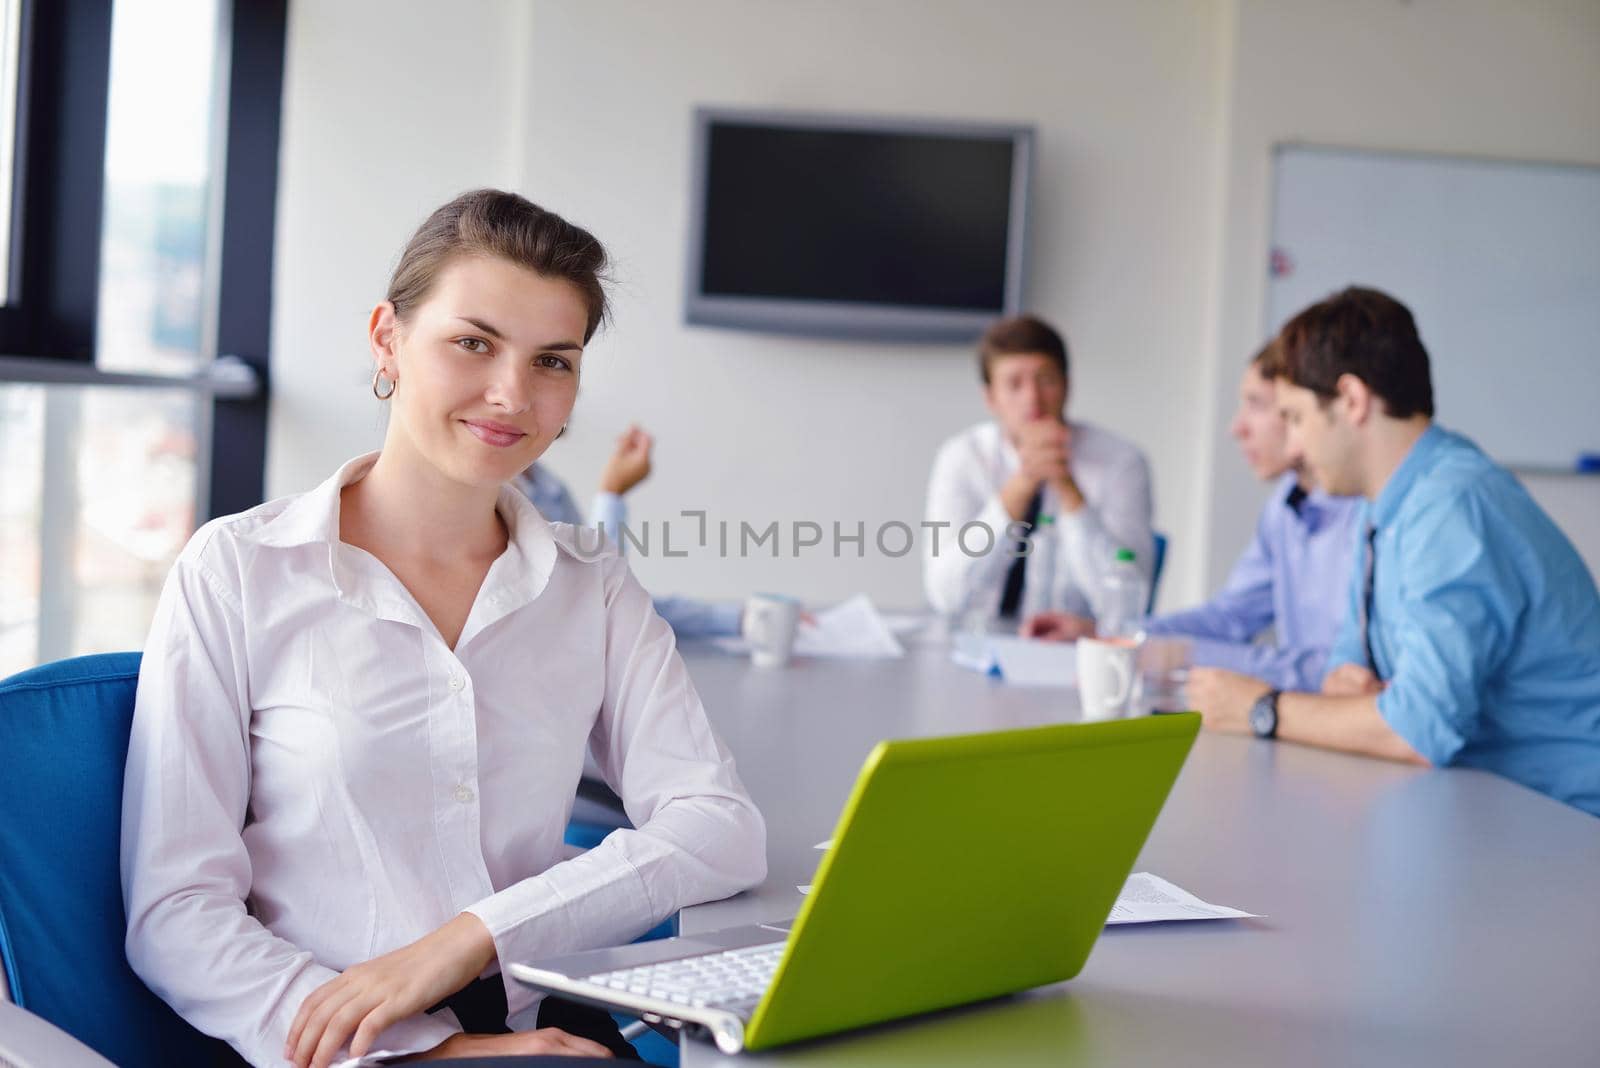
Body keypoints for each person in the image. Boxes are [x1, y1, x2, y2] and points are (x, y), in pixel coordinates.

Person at [120, 190, 767, 1068]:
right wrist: (423, 1053)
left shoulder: (590, 580)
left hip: (545, 1031)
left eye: (553, 361)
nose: (513, 394)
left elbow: (719, 827)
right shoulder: (239, 570)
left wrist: (467, 941)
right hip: (343, 1052)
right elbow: (175, 915)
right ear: (388, 337)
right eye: (474, 343)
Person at [1189, 286, 1600, 817]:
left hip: (1565, 826)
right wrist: (1348, 687)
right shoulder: (1380, 504)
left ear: (1353, 402)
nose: (1292, 447)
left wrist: (1263, 710)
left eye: (1294, 418)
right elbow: (1348, 659)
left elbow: (1420, 728)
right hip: (1481, 806)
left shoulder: (1452, 506)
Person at [1022, 342, 1363, 691]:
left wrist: (1173, 653)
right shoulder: (1284, 506)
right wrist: (1118, 635)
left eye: (1257, 405)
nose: (1237, 428)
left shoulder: (1364, 513)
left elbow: (1341, 675)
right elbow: (1230, 617)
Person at [923, 315, 1154, 628]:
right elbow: (946, 596)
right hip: (972, 640)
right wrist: (1023, 483)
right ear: (990, 397)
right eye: (1014, 384)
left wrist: (1067, 489)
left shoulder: (1121, 462)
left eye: (1046, 380)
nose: (1032, 398)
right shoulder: (962, 457)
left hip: (1074, 651)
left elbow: (1124, 605)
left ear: (1067, 386)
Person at [515, 427, 743, 638]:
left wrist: (737, 619)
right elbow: (596, 595)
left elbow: (612, 594)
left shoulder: (548, 485)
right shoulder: (499, 491)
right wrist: (612, 492)